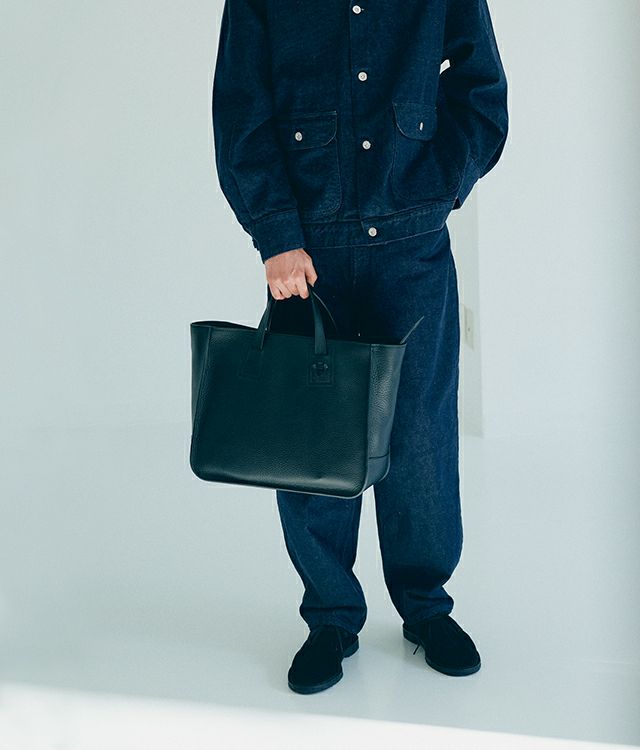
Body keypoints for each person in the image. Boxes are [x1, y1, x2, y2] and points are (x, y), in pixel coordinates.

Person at [211, 0, 509, 694]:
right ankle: (330, 618)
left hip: (412, 246)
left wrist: (440, 187)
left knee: (421, 434)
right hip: (307, 253)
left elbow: (482, 88)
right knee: (312, 441)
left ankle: (426, 607)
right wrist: (275, 232)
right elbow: (241, 103)